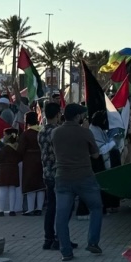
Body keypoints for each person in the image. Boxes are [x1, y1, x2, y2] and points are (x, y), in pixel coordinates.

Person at [52, 103, 103, 261]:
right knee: (96, 207)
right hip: (84, 177)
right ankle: (92, 241)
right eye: (82, 115)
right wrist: (86, 132)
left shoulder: (55, 132)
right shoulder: (85, 132)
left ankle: (66, 251)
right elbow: (96, 155)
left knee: (61, 216)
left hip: (62, 177)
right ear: (77, 116)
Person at [39, 102, 75, 251]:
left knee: (51, 207)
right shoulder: (58, 131)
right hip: (59, 172)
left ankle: (48, 238)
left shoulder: (41, 131)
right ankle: (61, 238)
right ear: (58, 114)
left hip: (46, 172)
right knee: (65, 207)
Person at [17, 111, 45, 215]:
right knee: (40, 185)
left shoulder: (26, 134)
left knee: (30, 185)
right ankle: (39, 208)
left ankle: (30, 209)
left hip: (29, 160)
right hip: (42, 158)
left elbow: (20, 150)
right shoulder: (42, 131)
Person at [0, 129, 22, 216]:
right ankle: (12, 210)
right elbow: (20, 158)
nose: (4, 136)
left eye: (5, 134)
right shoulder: (17, 147)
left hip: (4, 169)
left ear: (9, 135)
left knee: (3, 190)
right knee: (12, 190)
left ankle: (1, 210)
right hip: (14, 169)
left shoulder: (5, 149)